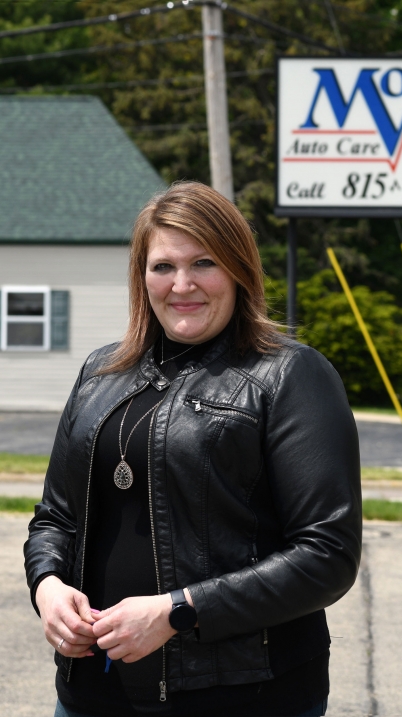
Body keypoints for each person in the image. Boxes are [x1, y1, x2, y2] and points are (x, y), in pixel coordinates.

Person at [24, 181, 362, 717]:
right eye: (162, 267)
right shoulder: (99, 373)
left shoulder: (289, 375)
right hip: (92, 694)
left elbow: (327, 555)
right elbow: (55, 518)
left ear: (238, 269)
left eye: (204, 262)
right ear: (142, 277)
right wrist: (47, 586)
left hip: (244, 697)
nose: (182, 284)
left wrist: (178, 612)